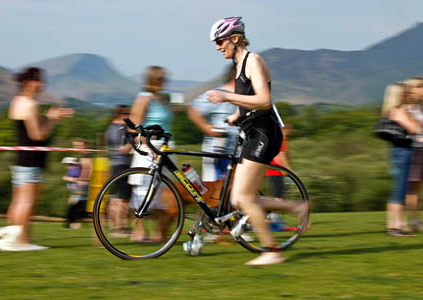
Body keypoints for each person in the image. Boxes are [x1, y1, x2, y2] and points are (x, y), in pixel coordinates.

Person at [207, 17, 308, 265]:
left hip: (264, 134)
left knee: (244, 197)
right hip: (254, 133)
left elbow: (264, 101)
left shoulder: (253, 61)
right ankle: (296, 208)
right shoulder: (240, 64)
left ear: (234, 38)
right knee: (238, 199)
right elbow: (249, 103)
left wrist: (227, 97)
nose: (218, 47)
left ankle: (272, 251)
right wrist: (234, 116)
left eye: (220, 41)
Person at [0, 67, 73, 251]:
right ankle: (22, 242)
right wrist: (52, 119)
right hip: (32, 159)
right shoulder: (30, 104)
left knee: (18, 201)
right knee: (28, 202)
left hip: (20, 159)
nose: (42, 84)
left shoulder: (17, 101)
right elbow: (38, 135)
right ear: (28, 83)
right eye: (39, 80)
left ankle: (10, 239)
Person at [187, 65, 238, 243]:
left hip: (235, 151)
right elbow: (193, 111)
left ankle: (230, 230)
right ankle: (206, 232)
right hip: (216, 150)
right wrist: (207, 128)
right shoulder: (216, 93)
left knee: (234, 192)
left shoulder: (243, 97)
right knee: (213, 195)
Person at [128, 66, 175, 242]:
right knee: (143, 191)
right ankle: (138, 231)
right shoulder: (144, 99)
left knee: (164, 193)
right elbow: (134, 126)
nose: (165, 82)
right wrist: (149, 148)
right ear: (155, 80)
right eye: (163, 79)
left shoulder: (162, 99)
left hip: (165, 147)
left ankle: (159, 233)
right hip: (150, 148)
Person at [382, 82, 420, 236]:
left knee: (400, 190)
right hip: (402, 152)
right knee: (399, 191)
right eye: (405, 92)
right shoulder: (398, 111)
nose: (408, 94)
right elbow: (414, 129)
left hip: (401, 152)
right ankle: (395, 227)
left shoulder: (395, 110)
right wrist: (412, 120)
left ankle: (396, 225)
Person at [105, 105, 133, 237]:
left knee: (115, 197)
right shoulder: (121, 128)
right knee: (124, 198)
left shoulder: (110, 127)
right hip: (123, 163)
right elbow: (124, 147)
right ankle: (120, 227)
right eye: (128, 113)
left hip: (113, 163)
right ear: (123, 114)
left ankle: (115, 226)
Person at [403, 77, 423, 233]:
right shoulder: (405, 109)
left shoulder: (420, 109)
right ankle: (414, 221)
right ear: (411, 89)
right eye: (420, 86)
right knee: (413, 188)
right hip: (415, 152)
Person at [65, 139, 92, 229]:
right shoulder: (82, 156)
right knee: (75, 202)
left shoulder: (88, 156)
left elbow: (90, 169)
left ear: (85, 146)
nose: (77, 148)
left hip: (84, 183)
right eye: (76, 146)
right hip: (81, 183)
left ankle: (74, 223)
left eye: (79, 146)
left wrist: (85, 180)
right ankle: (72, 222)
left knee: (78, 203)